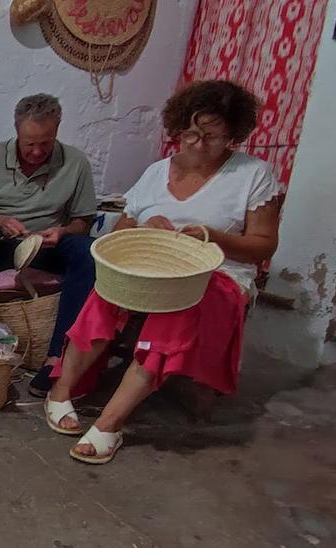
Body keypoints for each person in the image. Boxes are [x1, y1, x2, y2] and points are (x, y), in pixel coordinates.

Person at [44, 80, 280, 464]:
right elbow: (119, 234)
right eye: (190, 135)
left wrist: (212, 237)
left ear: (232, 135)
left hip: (216, 275)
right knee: (104, 291)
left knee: (179, 311)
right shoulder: (156, 172)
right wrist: (143, 226)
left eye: (212, 137)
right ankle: (60, 392)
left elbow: (264, 246)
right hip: (150, 268)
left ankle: (108, 422)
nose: (199, 145)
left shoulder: (252, 175)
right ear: (177, 129)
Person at [0, 93, 97, 395]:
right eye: (29, 143)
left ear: (57, 131)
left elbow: (83, 220)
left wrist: (62, 231)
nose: (36, 152)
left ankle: (57, 357)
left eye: (45, 144)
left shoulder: (75, 162)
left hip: (47, 246)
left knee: (87, 252)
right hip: (2, 241)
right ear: (16, 130)